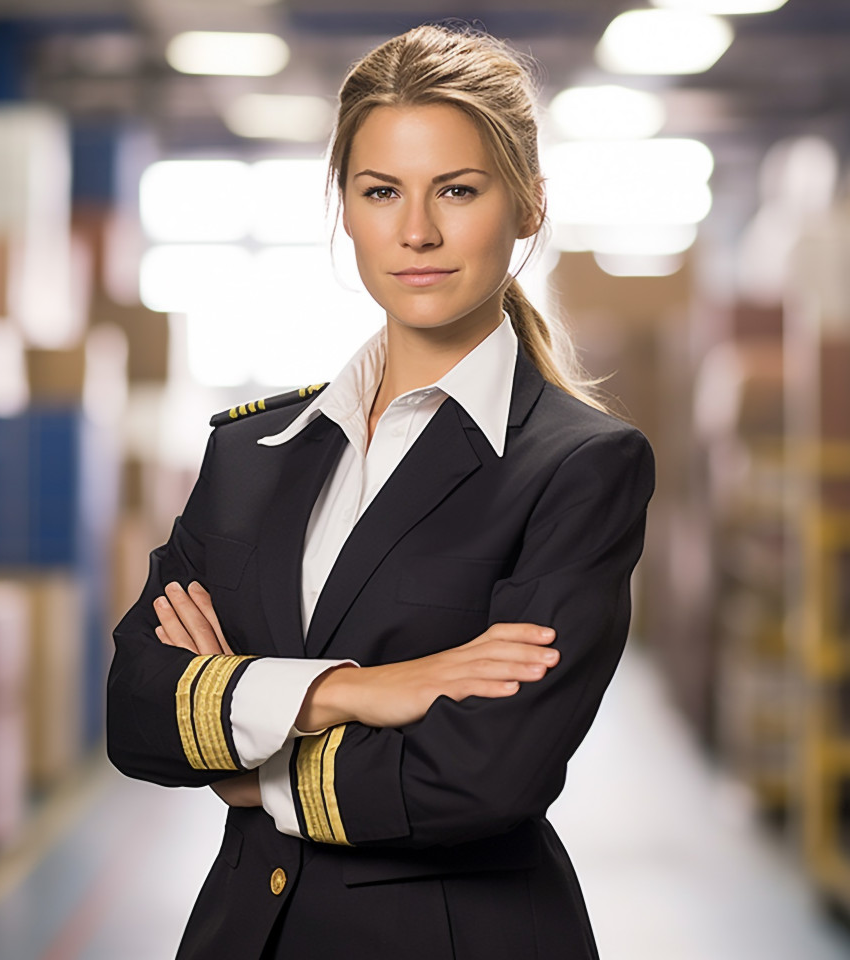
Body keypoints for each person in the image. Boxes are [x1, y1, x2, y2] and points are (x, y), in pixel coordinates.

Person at [107, 21, 654, 960]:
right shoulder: (254, 455)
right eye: (381, 192)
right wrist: (366, 693)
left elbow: (488, 774)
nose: (417, 232)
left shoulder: (579, 468)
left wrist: (250, 765)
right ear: (346, 209)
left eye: (458, 190)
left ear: (527, 206)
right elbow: (136, 709)